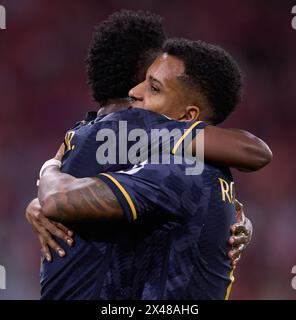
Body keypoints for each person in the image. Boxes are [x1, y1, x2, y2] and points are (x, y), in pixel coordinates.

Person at [33, 34, 272, 299]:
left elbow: (58, 199)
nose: (135, 92)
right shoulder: (198, 167)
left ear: (188, 117)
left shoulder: (177, 168)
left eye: (154, 88)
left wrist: (49, 169)